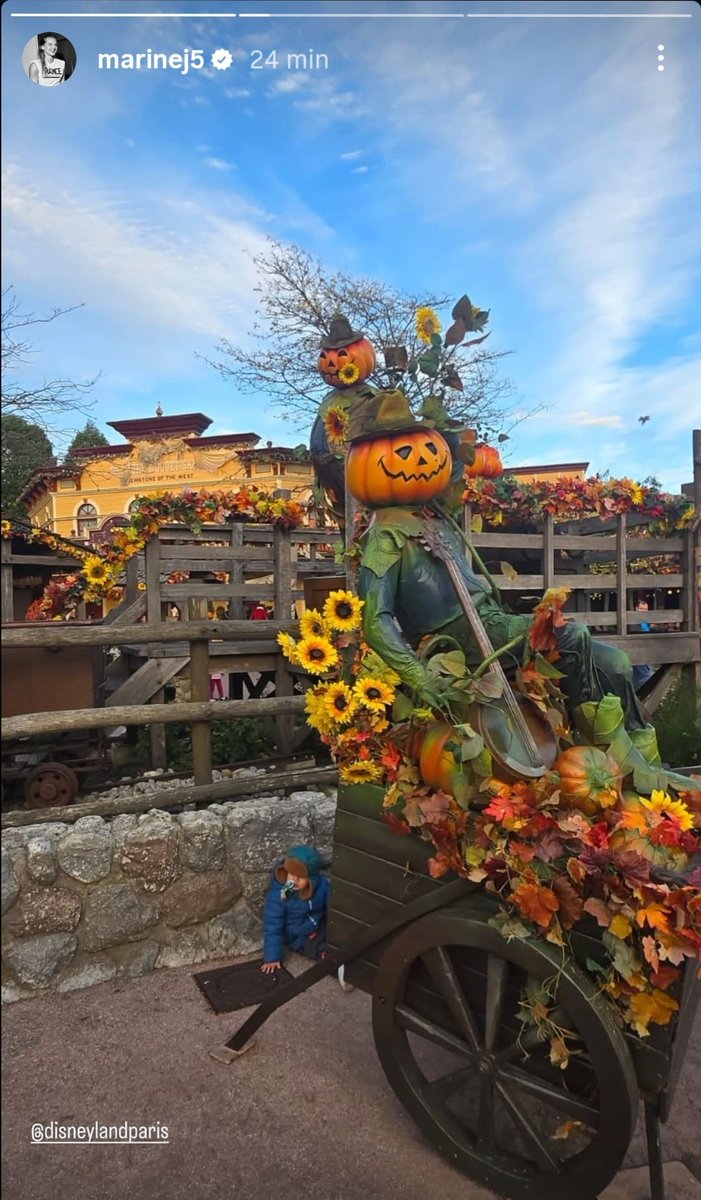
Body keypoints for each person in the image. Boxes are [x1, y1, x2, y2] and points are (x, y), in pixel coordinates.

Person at [261, 845, 329, 974]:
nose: (294, 879)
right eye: (291, 874)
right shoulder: (279, 895)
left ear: (311, 878)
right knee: (318, 949)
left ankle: (348, 959)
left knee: (337, 936)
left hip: (318, 924)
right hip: (299, 936)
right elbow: (273, 925)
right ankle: (339, 970)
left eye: (301, 877)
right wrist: (272, 956)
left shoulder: (322, 886)